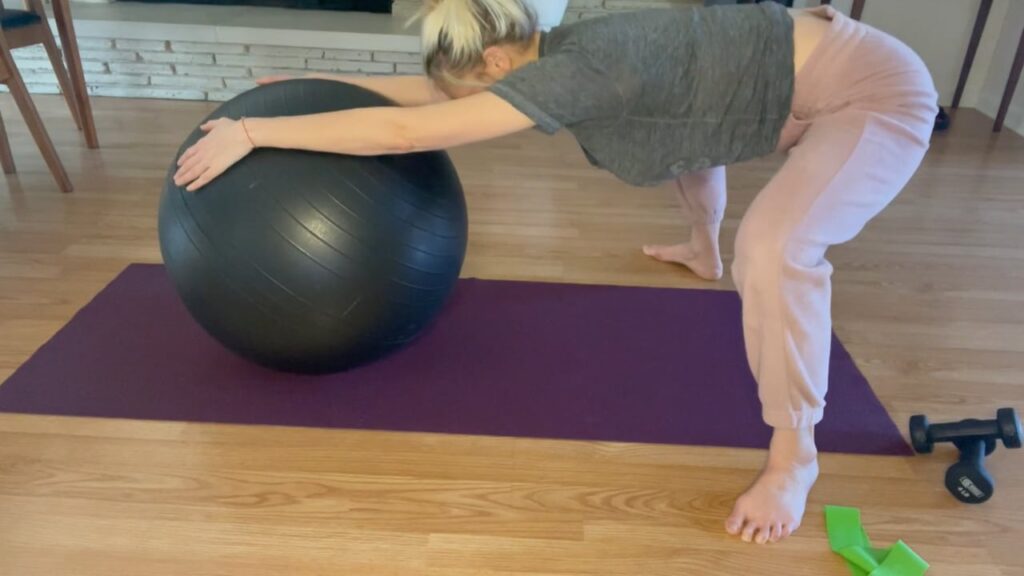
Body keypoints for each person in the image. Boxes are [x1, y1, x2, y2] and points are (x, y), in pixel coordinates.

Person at [173, 0, 938, 545]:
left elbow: (412, 130)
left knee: (774, 250)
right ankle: (702, 248)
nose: (475, 102)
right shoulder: (568, 49)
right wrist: (310, 94)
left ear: (501, 62)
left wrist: (254, 130)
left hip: (873, 93)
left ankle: (795, 456)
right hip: (788, 87)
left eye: (478, 86)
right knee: (686, 138)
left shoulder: (580, 74)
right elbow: (438, 102)